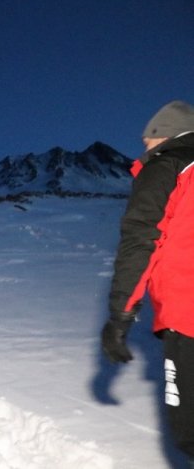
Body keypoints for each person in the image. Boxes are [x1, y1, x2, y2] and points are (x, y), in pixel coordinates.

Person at [102, 100, 194, 464]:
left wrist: (120, 314)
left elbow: (141, 239)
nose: (144, 150)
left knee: (190, 431)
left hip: (188, 316)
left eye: (147, 143)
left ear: (163, 136)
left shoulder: (166, 165)